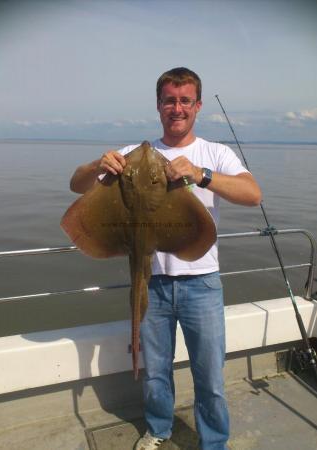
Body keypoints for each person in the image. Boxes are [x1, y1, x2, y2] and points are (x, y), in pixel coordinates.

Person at [70, 67, 262, 450]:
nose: (177, 107)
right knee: (156, 372)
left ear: (197, 105)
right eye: (169, 100)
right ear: (159, 105)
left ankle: (214, 443)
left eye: (184, 100)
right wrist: (98, 166)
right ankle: (158, 429)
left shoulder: (215, 152)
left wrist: (201, 174)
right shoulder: (130, 155)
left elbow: (253, 193)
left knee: (210, 375)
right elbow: (77, 184)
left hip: (201, 283)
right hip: (150, 279)